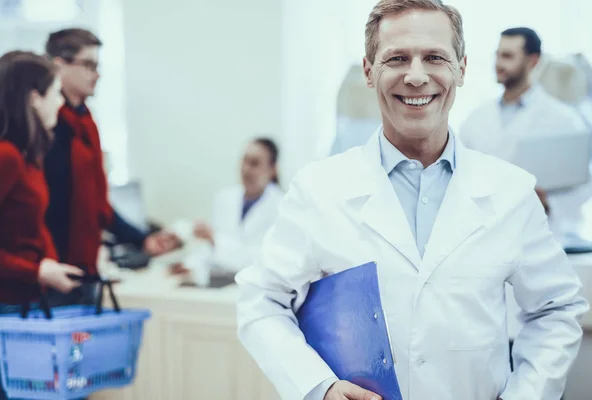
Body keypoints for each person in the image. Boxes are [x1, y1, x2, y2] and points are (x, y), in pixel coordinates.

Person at [235, 1, 588, 399]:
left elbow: (556, 310)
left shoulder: (511, 192)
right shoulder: (319, 189)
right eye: (397, 58)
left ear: (462, 68)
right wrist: (320, 387)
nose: (416, 76)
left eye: (435, 57)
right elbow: (260, 300)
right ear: (369, 72)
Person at [43, 28, 180, 305]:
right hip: (51, 269)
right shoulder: (47, 127)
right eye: (88, 65)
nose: (97, 74)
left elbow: (97, 204)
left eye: (98, 66)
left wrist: (143, 238)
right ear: (60, 66)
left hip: (84, 268)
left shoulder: (87, 124)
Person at [0, 51, 85, 400]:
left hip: (24, 301)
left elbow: (32, 225)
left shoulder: (28, 155)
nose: (61, 104)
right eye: (56, 93)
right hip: (2, 305)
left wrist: (47, 264)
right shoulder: (4, 157)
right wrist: (37, 270)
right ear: (34, 99)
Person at [460, 27, 587, 217]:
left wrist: (549, 203)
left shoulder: (565, 120)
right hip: (484, 226)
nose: (498, 63)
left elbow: (583, 186)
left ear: (533, 61)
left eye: (508, 56)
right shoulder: (476, 119)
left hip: (541, 228)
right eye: (498, 55)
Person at [188, 138, 284, 272]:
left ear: (273, 169)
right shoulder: (224, 198)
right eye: (244, 161)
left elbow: (265, 259)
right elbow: (209, 250)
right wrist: (190, 265)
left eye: (254, 163)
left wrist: (215, 240)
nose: (246, 169)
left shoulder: (282, 207)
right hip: (219, 283)